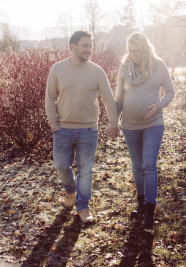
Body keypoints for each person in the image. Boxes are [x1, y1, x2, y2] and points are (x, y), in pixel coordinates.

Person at [45, 30, 119, 223]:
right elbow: (50, 98)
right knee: (61, 166)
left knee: (86, 169)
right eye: (85, 46)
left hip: (89, 130)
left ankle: (83, 207)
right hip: (63, 130)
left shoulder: (96, 71)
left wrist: (113, 123)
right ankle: (71, 190)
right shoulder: (57, 69)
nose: (89, 50)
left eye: (90, 46)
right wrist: (54, 123)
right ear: (73, 47)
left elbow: (108, 100)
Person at [115, 32, 175, 229]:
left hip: (153, 124)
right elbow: (119, 98)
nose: (134, 55)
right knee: (137, 165)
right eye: (130, 52)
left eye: (137, 51)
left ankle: (150, 211)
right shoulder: (125, 68)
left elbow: (170, 91)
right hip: (130, 126)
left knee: (149, 164)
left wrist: (158, 105)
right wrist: (113, 121)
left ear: (146, 48)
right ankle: (141, 202)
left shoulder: (158, 65)